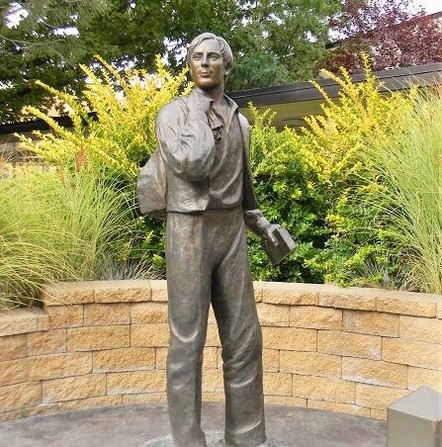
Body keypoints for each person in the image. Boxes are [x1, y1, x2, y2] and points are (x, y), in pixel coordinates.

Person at [154, 32, 279, 447]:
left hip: (231, 230)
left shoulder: (241, 122)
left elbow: (244, 189)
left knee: (245, 336)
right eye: (196, 57)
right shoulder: (174, 114)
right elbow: (191, 162)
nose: (204, 63)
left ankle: (246, 436)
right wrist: (198, 110)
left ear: (228, 66)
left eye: (213, 57)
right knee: (187, 339)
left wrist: (262, 224)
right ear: (189, 66)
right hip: (189, 228)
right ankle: (188, 439)